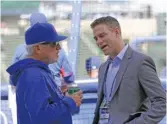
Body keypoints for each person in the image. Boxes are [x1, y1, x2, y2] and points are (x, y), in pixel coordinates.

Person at [90, 16, 166, 124]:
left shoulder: (140, 62)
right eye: (96, 38)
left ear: (117, 32)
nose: (99, 42)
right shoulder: (103, 68)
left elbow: (161, 103)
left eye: (102, 36)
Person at [6, 23, 82, 124]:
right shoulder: (33, 75)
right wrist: (70, 101)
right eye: (54, 44)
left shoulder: (36, 72)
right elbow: (41, 116)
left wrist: (62, 96)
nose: (59, 48)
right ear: (38, 48)